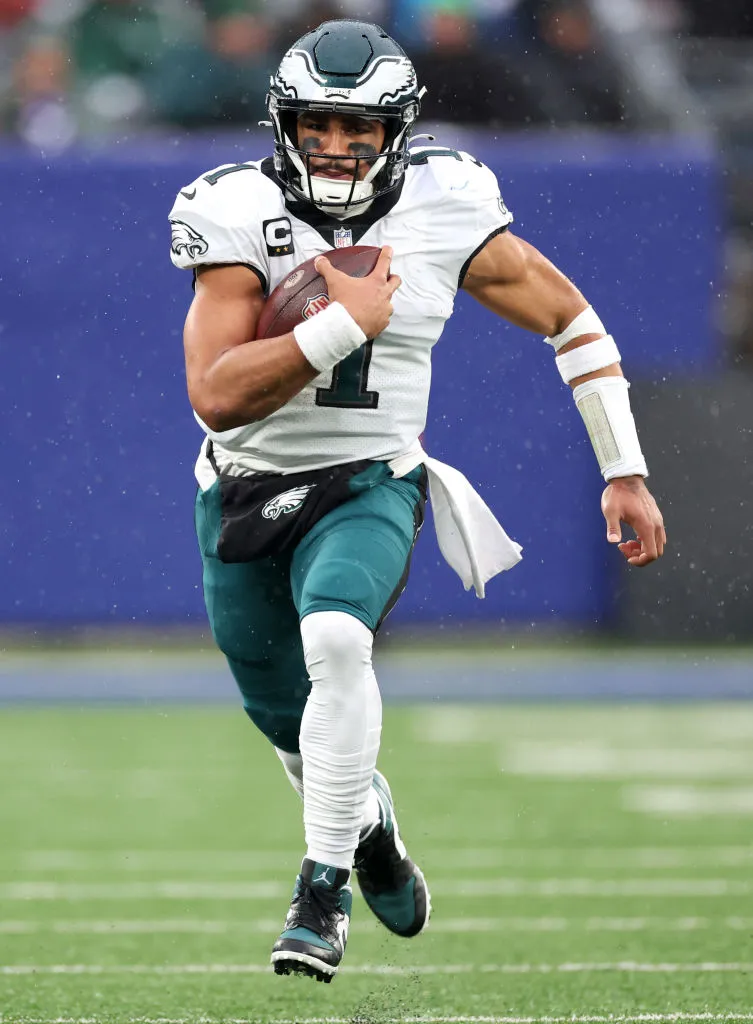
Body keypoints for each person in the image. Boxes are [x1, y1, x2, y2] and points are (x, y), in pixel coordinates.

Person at [168, 18, 666, 983]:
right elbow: (217, 395)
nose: (339, 146)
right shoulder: (236, 212)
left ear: (398, 129)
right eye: (319, 124)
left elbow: (571, 319)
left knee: (340, 641)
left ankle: (320, 896)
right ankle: (370, 828)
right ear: (285, 123)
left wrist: (625, 468)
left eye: (360, 128)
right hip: (242, 489)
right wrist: (337, 327)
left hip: (370, 479)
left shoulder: (446, 202)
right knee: (289, 725)